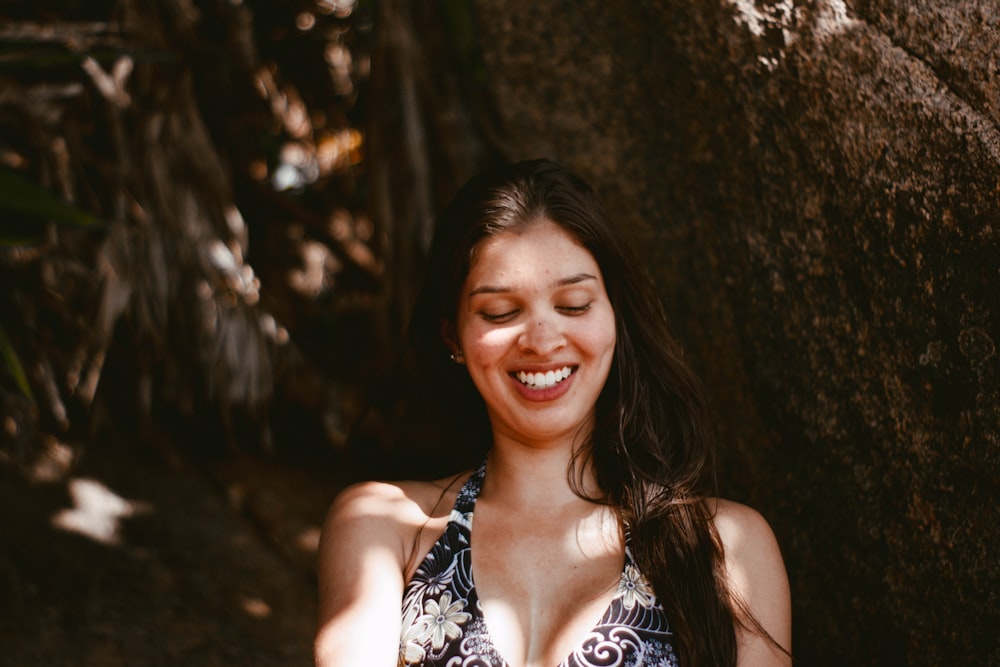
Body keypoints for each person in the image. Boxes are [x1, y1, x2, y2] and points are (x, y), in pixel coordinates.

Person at [314, 159, 791, 667]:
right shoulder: (389, 526)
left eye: (575, 304)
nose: (542, 341)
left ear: (616, 318)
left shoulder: (724, 548)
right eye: (501, 312)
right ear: (453, 335)